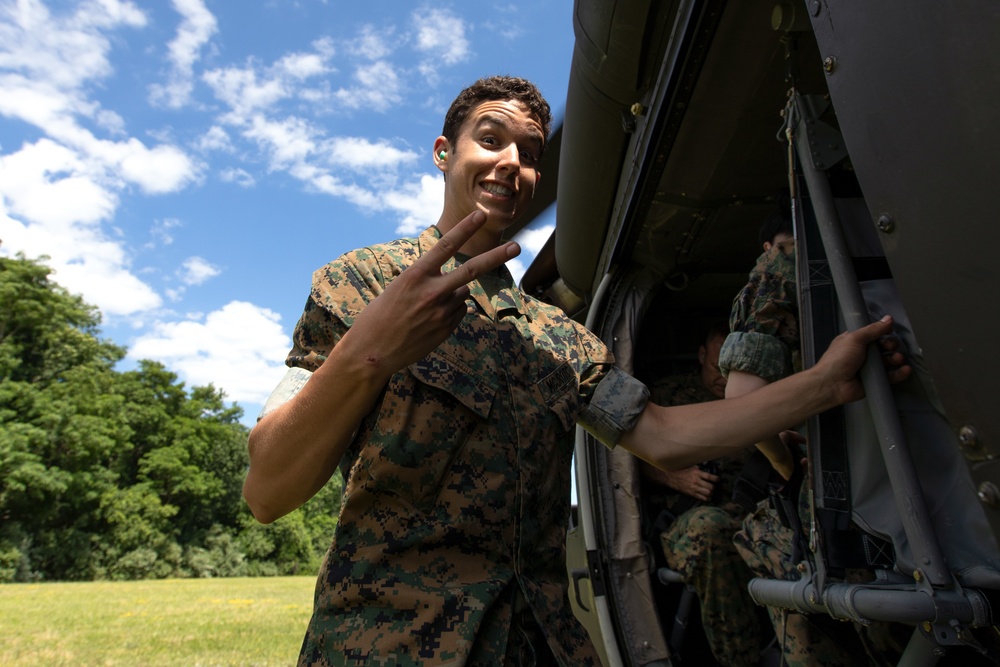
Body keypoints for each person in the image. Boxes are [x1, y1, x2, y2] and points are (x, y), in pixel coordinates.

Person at [243, 76, 908, 667]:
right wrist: (372, 351)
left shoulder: (561, 338)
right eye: (491, 139)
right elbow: (268, 489)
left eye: (531, 154)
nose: (513, 163)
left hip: (543, 641)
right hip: (388, 645)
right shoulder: (359, 283)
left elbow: (666, 435)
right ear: (444, 154)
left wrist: (824, 382)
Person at [721, 209, 909, 666]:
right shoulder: (894, 248)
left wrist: (787, 466)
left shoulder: (776, 270)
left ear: (769, 247)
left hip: (848, 502)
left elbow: (743, 403)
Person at [641, 323, 768, 667]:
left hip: (754, 516)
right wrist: (672, 477)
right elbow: (623, 461)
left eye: (731, 372)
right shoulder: (665, 399)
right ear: (701, 356)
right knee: (710, 531)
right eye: (716, 368)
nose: (724, 380)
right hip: (688, 522)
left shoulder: (759, 400)